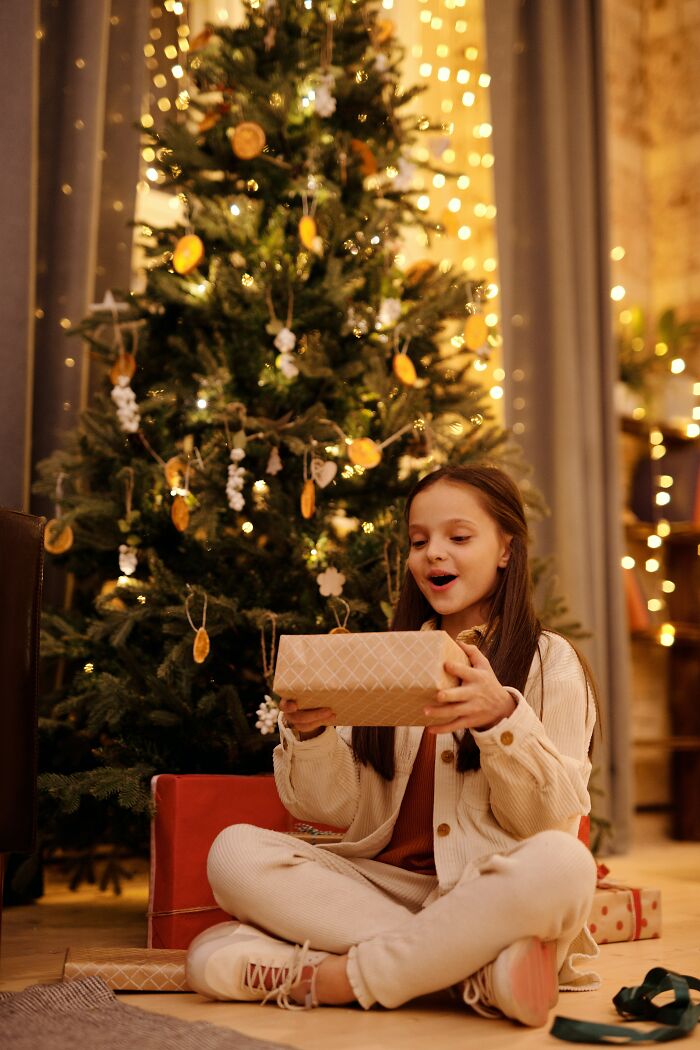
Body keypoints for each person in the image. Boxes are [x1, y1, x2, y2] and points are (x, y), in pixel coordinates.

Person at [186, 464, 600, 1025]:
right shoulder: (387, 657)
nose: (433, 554)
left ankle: (337, 979)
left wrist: (502, 721)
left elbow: (547, 821)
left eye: (458, 537)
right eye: (419, 540)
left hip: (492, 887)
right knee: (234, 851)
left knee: (565, 863)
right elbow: (329, 810)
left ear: (506, 548)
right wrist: (311, 734)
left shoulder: (552, 664)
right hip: (381, 888)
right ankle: (471, 970)